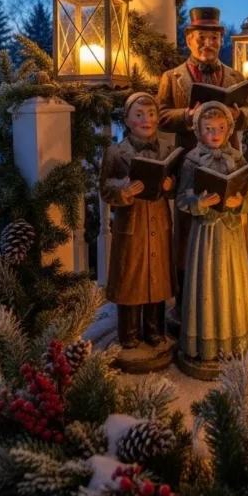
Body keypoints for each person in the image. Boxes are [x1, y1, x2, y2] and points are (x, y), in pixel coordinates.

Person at [158, 7, 248, 297]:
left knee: (228, 219)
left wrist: (239, 116)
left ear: (221, 41)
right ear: (189, 40)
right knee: (189, 228)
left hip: (228, 162)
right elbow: (162, 115)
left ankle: (227, 294)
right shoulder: (171, 77)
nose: (208, 44)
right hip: (191, 162)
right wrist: (188, 115)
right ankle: (188, 299)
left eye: (214, 38)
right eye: (202, 37)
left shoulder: (235, 75)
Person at [176, 101, 248, 365]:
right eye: (208, 128)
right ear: (199, 130)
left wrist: (239, 203)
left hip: (231, 233)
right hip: (205, 235)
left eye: (221, 128)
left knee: (232, 283)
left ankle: (235, 338)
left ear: (229, 128)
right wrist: (199, 202)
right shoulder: (191, 160)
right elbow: (182, 199)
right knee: (207, 283)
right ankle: (206, 340)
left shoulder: (236, 157)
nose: (215, 133)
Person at [99, 92, 176, 349]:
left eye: (151, 114)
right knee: (131, 276)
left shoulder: (167, 148)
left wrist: (170, 185)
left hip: (159, 221)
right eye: (139, 115)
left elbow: (176, 184)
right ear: (128, 120)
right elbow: (105, 188)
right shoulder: (115, 152)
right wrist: (125, 189)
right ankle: (129, 332)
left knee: (157, 275)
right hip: (131, 223)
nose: (147, 120)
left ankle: (154, 328)